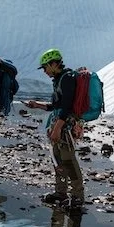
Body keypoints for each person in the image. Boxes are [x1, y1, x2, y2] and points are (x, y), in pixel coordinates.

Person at [24, 48, 85, 209]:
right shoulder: (59, 80)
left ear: (53, 64)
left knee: (69, 161)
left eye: (45, 67)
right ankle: (61, 192)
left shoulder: (67, 79)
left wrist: (57, 128)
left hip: (65, 127)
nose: (44, 71)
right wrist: (37, 105)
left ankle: (77, 197)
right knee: (58, 160)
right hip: (60, 125)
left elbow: (66, 107)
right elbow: (56, 106)